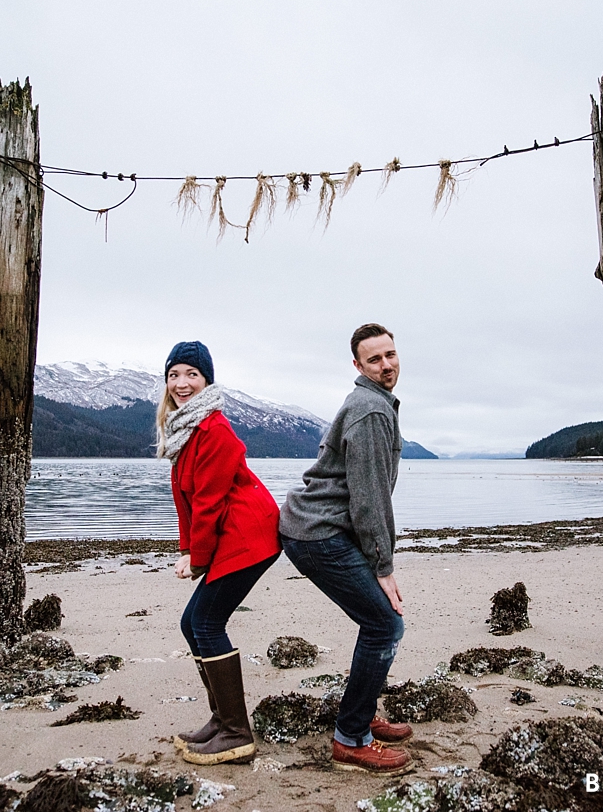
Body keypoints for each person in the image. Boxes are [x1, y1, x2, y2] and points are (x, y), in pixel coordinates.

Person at [277, 323, 414, 776]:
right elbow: (370, 497)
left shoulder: (373, 404)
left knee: (377, 622)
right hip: (317, 534)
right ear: (358, 366)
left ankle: (362, 712)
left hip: (319, 528)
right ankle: (351, 738)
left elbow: (364, 493)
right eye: (374, 359)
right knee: (383, 625)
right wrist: (383, 567)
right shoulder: (370, 411)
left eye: (390, 355)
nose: (386, 365)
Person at [159, 340, 281, 766]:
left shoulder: (213, 429)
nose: (182, 382)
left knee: (206, 623)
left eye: (191, 374)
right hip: (230, 534)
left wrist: (198, 560)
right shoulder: (184, 431)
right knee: (192, 622)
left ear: (206, 380)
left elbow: (209, 502)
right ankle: (220, 719)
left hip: (250, 535)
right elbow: (187, 502)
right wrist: (189, 548)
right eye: (174, 374)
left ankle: (236, 733)